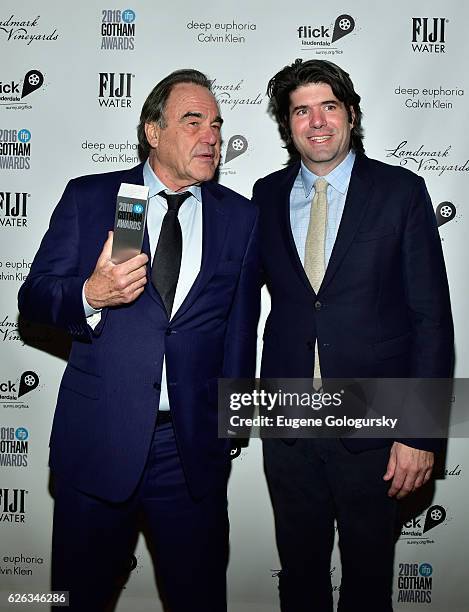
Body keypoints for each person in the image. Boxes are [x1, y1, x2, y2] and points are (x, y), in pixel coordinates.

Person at [18, 68, 259, 612]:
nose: (211, 136)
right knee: (77, 599)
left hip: (191, 454)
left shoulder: (240, 218)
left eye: (217, 124)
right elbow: (34, 296)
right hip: (99, 442)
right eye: (192, 121)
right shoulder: (92, 198)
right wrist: (90, 293)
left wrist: (230, 427)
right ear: (153, 131)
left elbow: (240, 327)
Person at [253, 59, 453, 612]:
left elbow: (431, 320)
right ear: (287, 123)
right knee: (299, 576)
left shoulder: (400, 191)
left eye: (329, 106)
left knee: (368, 582)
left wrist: (421, 431)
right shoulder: (264, 196)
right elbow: (244, 307)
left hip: (377, 426)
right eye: (301, 110)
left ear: (351, 115)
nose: (316, 121)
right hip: (287, 420)